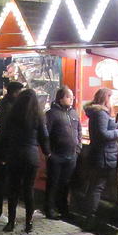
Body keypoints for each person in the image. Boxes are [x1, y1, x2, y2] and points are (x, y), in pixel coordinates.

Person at [2, 88, 48, 233]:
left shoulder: (12, 115)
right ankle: (28, 223)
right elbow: (44, 137)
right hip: (31, 156)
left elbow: (4, 136)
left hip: (14, 155)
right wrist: (47, 152)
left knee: (13, 190)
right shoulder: (38, 116)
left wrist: (1, 155)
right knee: (29, 190)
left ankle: (11, 222)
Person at [81, 88, 118, 226]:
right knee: (97, 186)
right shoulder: (101, 114)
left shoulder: (99, 113)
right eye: (111, 98)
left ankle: (91, 216)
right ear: (106, 98)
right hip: (103, 156)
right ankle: (90, 218)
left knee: (96, 186)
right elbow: (103, 134)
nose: (112, 102)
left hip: (102, 154)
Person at [44, 85, 81, 220]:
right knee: (53, 183)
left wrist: (78, 148)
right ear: (60, 98)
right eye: (68, 96)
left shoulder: (74, 113)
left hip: (71, 155)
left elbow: (79, 131)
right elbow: (45, 133)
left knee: (65, 183)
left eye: (72, 96)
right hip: (56, 155)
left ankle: (63, 208)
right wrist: (48, 153)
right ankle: (49, 208)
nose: (71, 99)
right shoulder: (51, 114)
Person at [0, 80, 26, 219]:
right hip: (5, 151)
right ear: (15, 93)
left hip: (4, 150)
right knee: (2, 182)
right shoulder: (8, 108)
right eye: (20, 92)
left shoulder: (7, 105)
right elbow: (5, 132)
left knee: (3, 181)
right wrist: (3, 154)